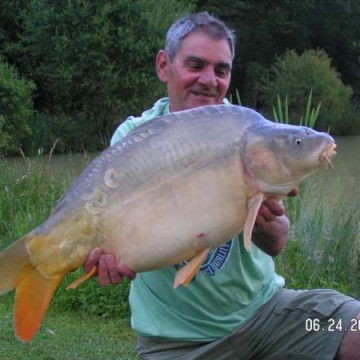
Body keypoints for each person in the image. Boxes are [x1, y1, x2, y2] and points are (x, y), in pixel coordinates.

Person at [85, 12, 360, 360]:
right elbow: (113, 234)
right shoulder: (134, 138)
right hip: (177, 343)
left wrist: (263, 216)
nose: (209, 80)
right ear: (163, 66)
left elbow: (276, 243)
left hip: (268, 317)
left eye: (221, 70)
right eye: (195, 65)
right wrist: (102, 252)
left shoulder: (249, 134)